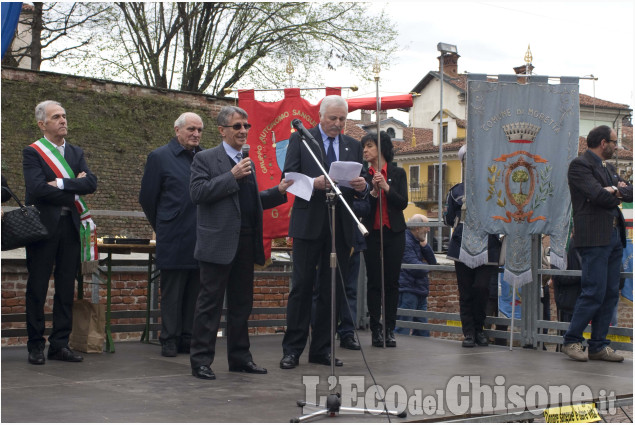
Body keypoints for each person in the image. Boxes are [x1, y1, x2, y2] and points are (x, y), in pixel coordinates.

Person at [189, 106, 292, 380]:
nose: (243, 131)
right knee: (209, 305)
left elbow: (250, 202)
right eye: (237, 126)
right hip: (218, 242)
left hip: (245, 242)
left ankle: (240, 358)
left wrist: (278, 192)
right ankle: (201, 361)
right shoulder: (205, 159)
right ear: (222, 130)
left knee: (241, 305)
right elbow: (197, 193)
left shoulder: (249, 160)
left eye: (246, 126)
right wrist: (231, 176)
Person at [280, 95, 367, 369]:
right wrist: (313, 183)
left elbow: (358, 188)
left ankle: (322, 349)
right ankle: (292, 349)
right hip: (308, 223)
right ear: (320, 116)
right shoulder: (302, 139)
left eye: (342, 119)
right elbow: (288, 179)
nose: (338, 124)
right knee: (302, 287)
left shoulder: (353, 145)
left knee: (331, 290)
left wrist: (362, 186)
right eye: (333, 118)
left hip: (338, 224)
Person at [22, 100, 98, 365]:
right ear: (43, 124)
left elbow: (91, 183)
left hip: (70, 228)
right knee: (38, 287)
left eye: (64, 115)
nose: (63, 120)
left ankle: (60, 344)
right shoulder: (33, 153)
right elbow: (37, 189)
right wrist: (73, 189)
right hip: (43, 228)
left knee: (66, 287)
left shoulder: (76, 152)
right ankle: (35, 345)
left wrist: (63, 183)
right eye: (56, 117)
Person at [562, 125, 632, 362]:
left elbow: (630, 192)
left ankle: (598, 345)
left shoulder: (609, 167)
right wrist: (615, 190)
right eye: (614, 142)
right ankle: (572, 340)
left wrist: (613, 189)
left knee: (611, 292)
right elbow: (597, 195)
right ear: (603, 143)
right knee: (594, 290)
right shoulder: (580, 166)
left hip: (613, 237)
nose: (616, 147)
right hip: (593, 238)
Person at [139, 112, 203, 357]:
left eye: (199, 130)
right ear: (177, 130)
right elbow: (147, 198)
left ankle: (188, 337)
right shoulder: (160, 157)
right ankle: (169, 338)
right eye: (190, 130)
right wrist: (165, 223)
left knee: (194, 291)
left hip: (200, 234)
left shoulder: (205, 157)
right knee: (173, 291)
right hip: (173, 235)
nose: (195, 134)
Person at [444, 144, 501, 348]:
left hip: (488, 244)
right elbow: (449, 218)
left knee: (482, 288)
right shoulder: (456, 191)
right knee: (466, 291)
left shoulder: (494, 189)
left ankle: (480, 328)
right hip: (462, 246)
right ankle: (469, 332)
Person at [361, 131, 408, 347]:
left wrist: (387, 188)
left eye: (369, 146)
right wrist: (372, 192)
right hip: (373, 233)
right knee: (374, 282)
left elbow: (402, 203)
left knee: (392, 282)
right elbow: (361, 208)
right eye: (364, 146)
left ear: (380, 148)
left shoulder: (397, 173)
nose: (365, 150)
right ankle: (375, 329)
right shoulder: (363, 174)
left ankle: (390, 329)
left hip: (394, 232)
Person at [395, 214, 437, 337]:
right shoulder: (406, 241)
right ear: (417, 228)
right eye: (426, 226)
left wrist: (425, 245)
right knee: (403, 329)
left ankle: (421, 355)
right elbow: (416, 268)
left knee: (422, 331)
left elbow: (433, 263)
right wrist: (426, 266)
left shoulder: (417, 241)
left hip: (418, 290)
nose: (429, 229)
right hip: (408, 291)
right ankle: (396, 355)